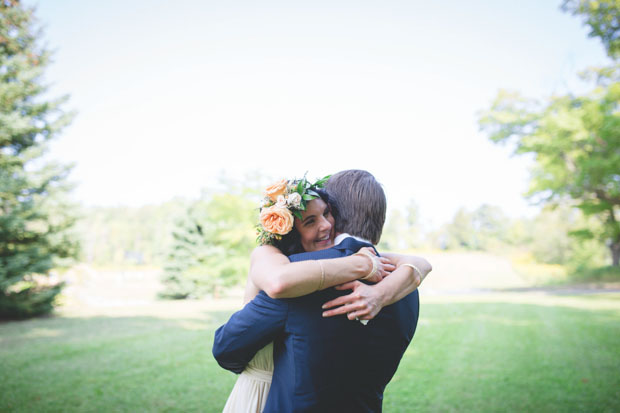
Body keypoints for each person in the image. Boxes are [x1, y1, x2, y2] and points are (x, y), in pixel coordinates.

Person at [214, 170, 431, 412]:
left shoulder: (299, 275)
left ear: (335, 211)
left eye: (327, 212)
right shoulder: (407, 283)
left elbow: (227, 348)